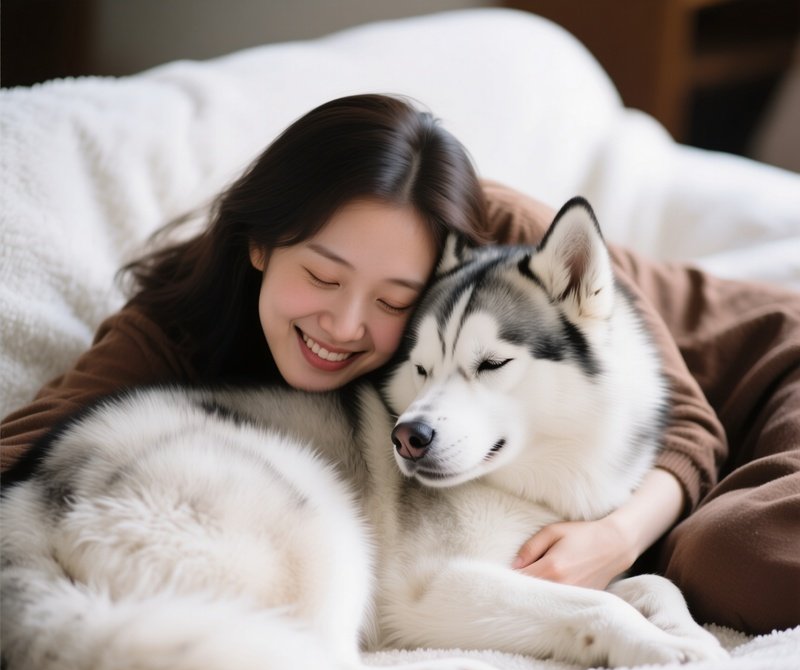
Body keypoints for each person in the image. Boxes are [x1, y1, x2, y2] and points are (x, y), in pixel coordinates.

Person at [1, 94, 797, 635]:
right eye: (320, 275)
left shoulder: (505, 241)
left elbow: (688, 419)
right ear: (258, 242)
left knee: (731, 561)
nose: (345, 324)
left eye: (394, 301)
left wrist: (617, 538)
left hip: (765, 368)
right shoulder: (175, 324)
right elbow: (29, 449)